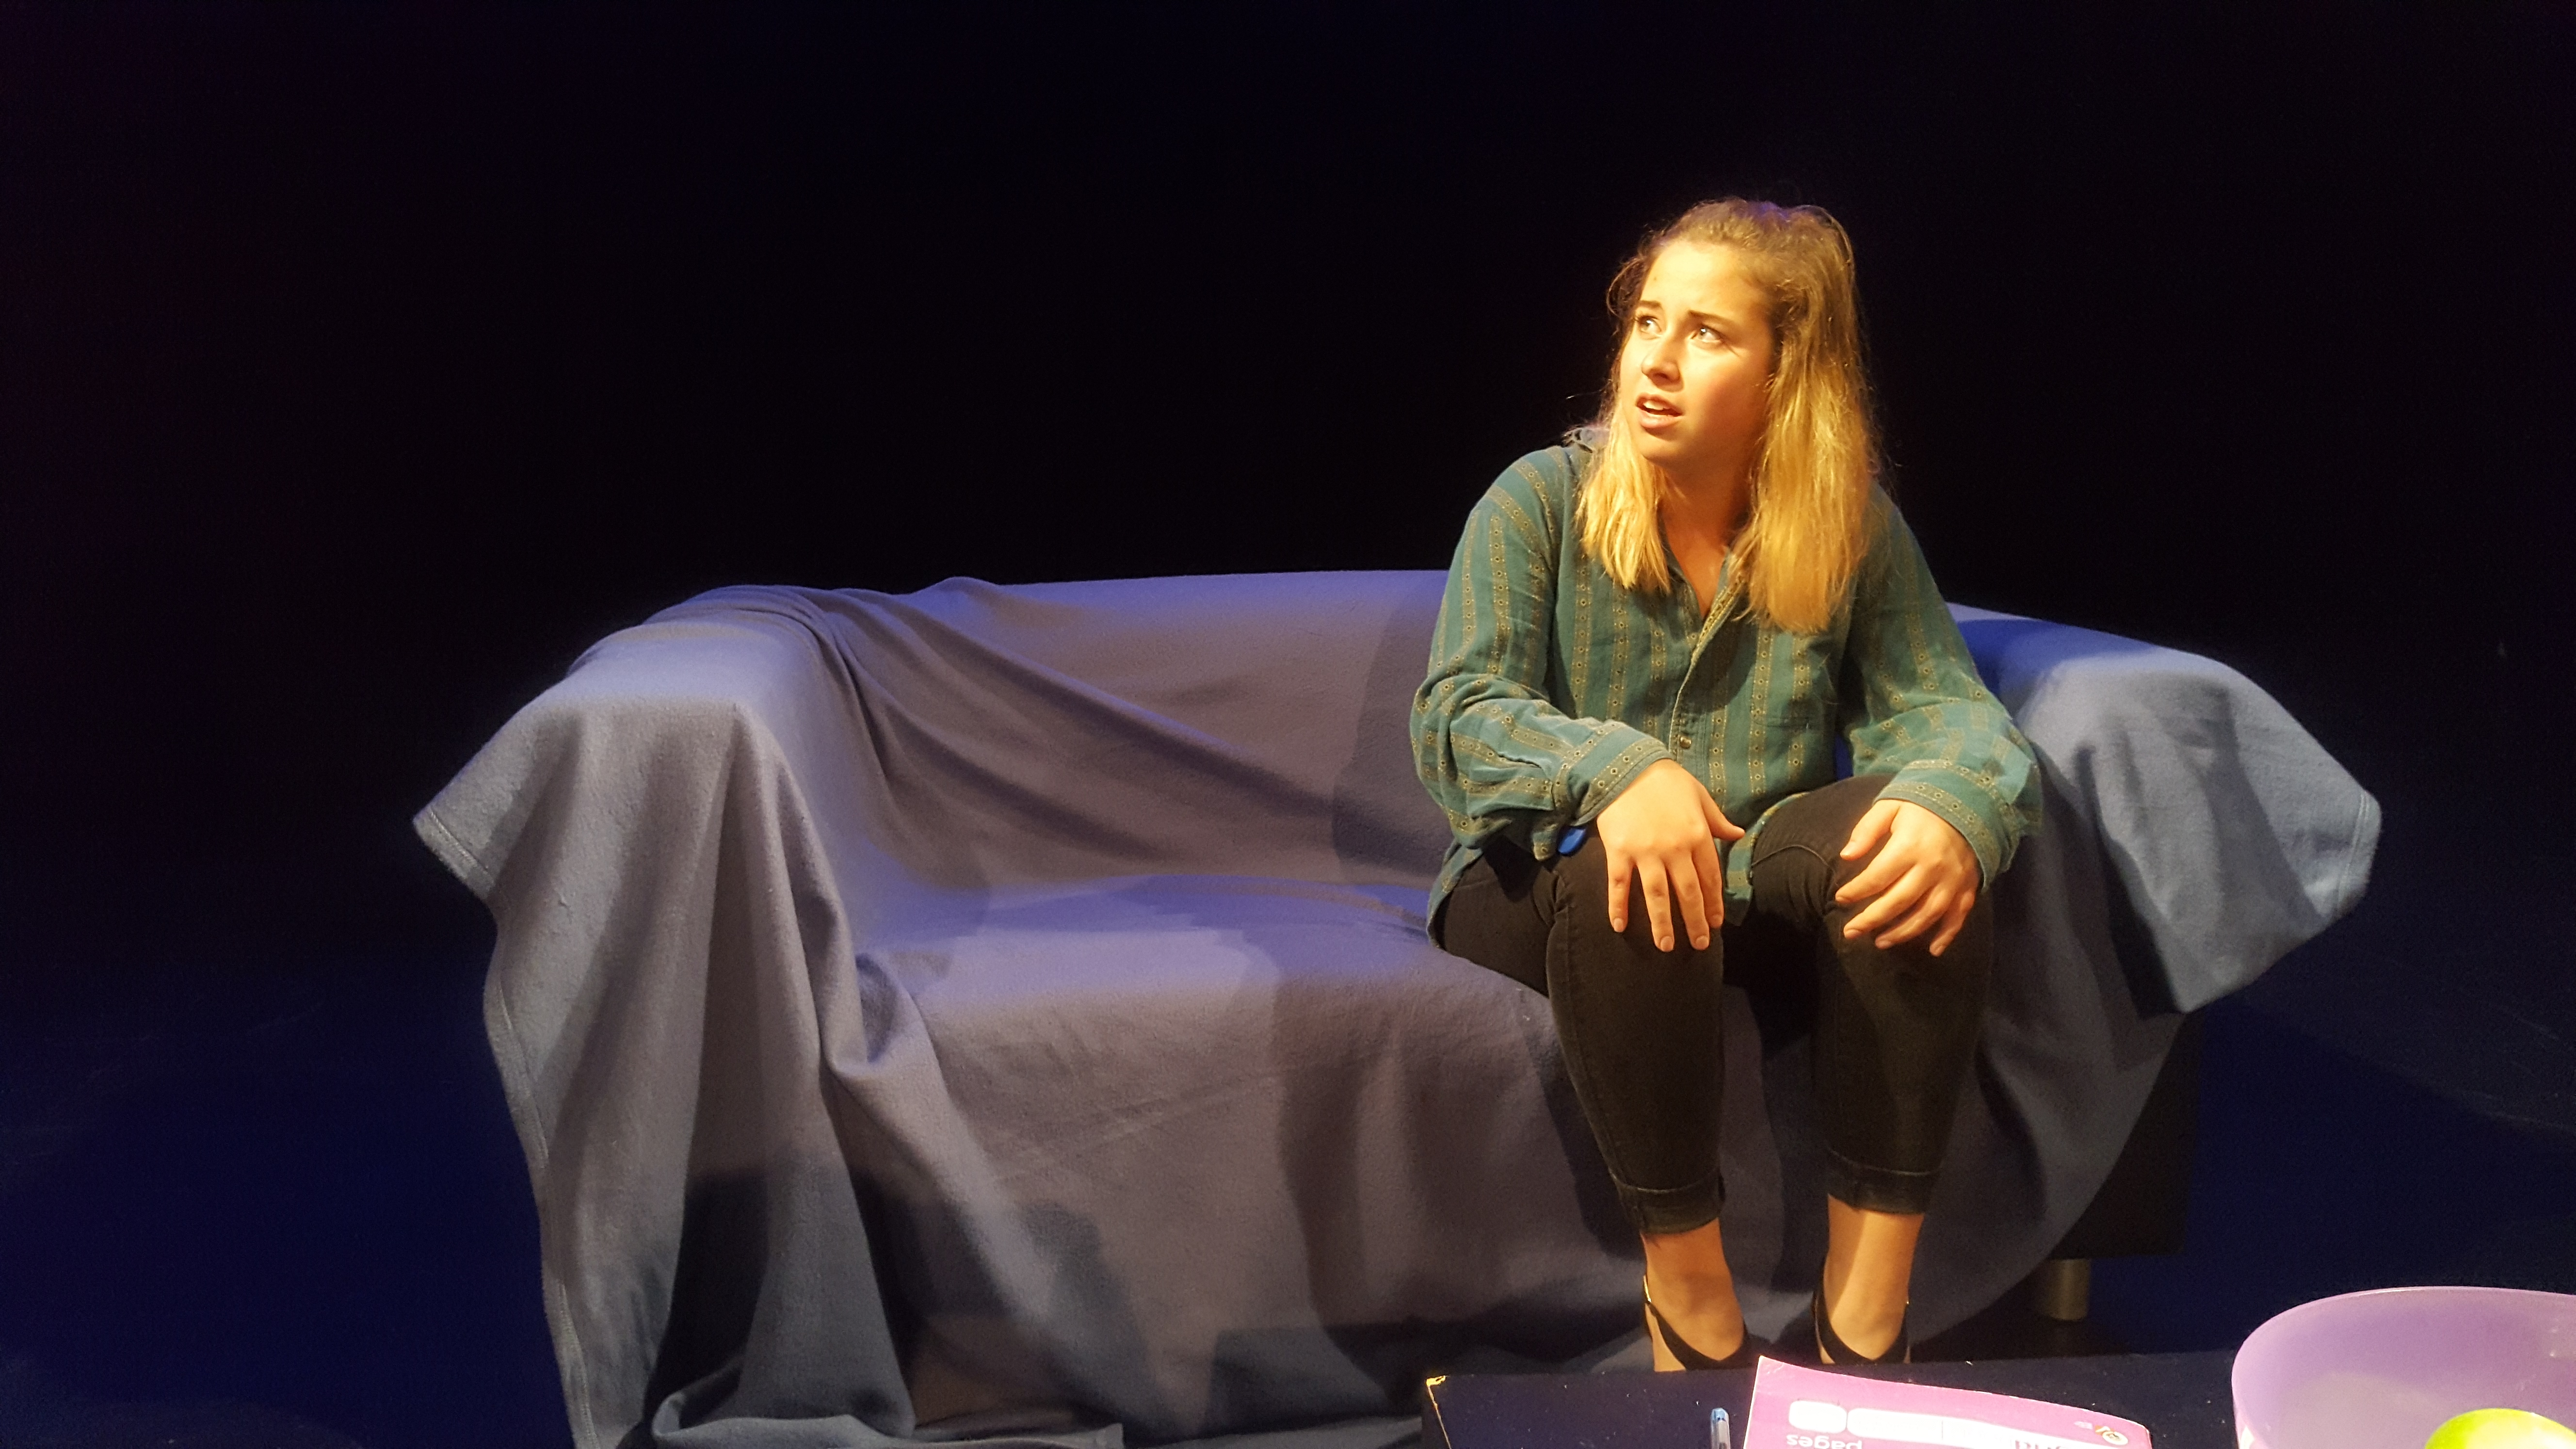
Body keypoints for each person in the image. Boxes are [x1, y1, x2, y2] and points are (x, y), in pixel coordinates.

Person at [1411, 199, 2040, 1369]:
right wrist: (1615, 770)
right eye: (1647, 322)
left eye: (1705, 334)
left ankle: (1865, 1320)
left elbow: (1945, 711)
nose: (1654, 360)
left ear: (1783, 375)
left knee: (1912, 833)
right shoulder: (1538, 500)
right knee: (1633, 857)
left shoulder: (1848, 525)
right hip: (1539, 878)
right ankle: (1691, 1308)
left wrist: (1958, 802)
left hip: (1746, 875)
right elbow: (1458, 716)